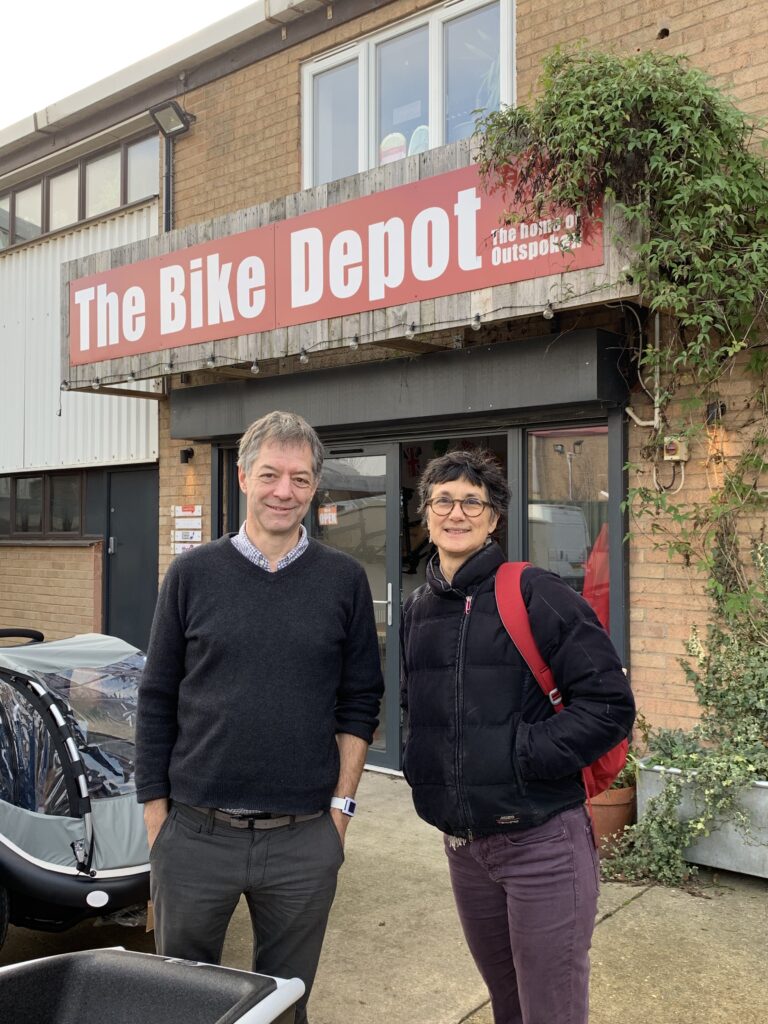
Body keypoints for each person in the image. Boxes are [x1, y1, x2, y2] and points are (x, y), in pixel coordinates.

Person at [135, 410, 383, 1024]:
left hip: (303, 839)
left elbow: (359, 702)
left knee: (281, 1008)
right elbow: (157, 695)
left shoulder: (344, 581)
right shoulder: (192, 574)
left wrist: (339, 816)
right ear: (244, 476)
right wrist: (157, 820)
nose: (284, 491)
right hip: (194, 835)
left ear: (315, 486)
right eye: (271, 474)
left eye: (300, 479)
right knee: (182, 1006)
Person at [400, 448, 635, 1024]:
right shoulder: (417, 608)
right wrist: (421, 767)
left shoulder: (535, 592)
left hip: (541, 846)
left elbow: (609, 706)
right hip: (464, 848)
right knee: (508, 1007)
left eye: (472, 502)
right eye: (443, 501)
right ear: (426, 514)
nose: (457, 513)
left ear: (494, 517)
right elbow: (416, 705)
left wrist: (520, 755)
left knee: (549, 1011)